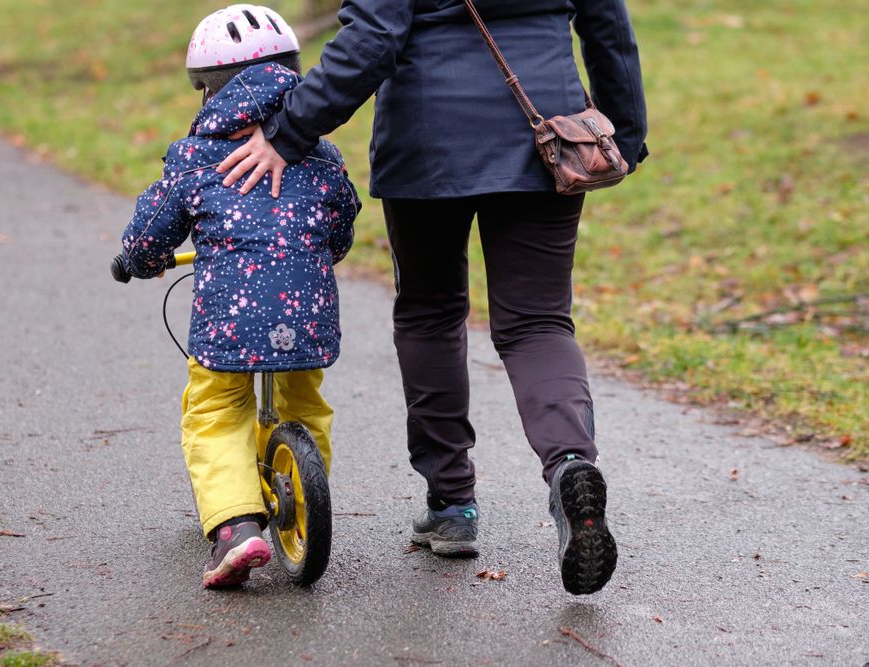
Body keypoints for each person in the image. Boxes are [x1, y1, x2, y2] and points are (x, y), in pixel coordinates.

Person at [216, 0, 648, 595]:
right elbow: (608, 27)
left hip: (427, 141)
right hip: (547, 131)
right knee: (538, 324)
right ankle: (571, 463)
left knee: (430, 312)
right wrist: (623, 130)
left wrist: (288, 133)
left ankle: (451, 504)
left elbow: (372, 38)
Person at [117, 4, 361, 589]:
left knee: (215, 409)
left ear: (208, 92)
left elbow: (152, 232)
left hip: (229, 319)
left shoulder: (195, 158)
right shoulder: (320, 155)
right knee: (305, 408)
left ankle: (235, 529)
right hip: (307, 317)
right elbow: (342, 225)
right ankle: (300, 506)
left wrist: (137, 261)